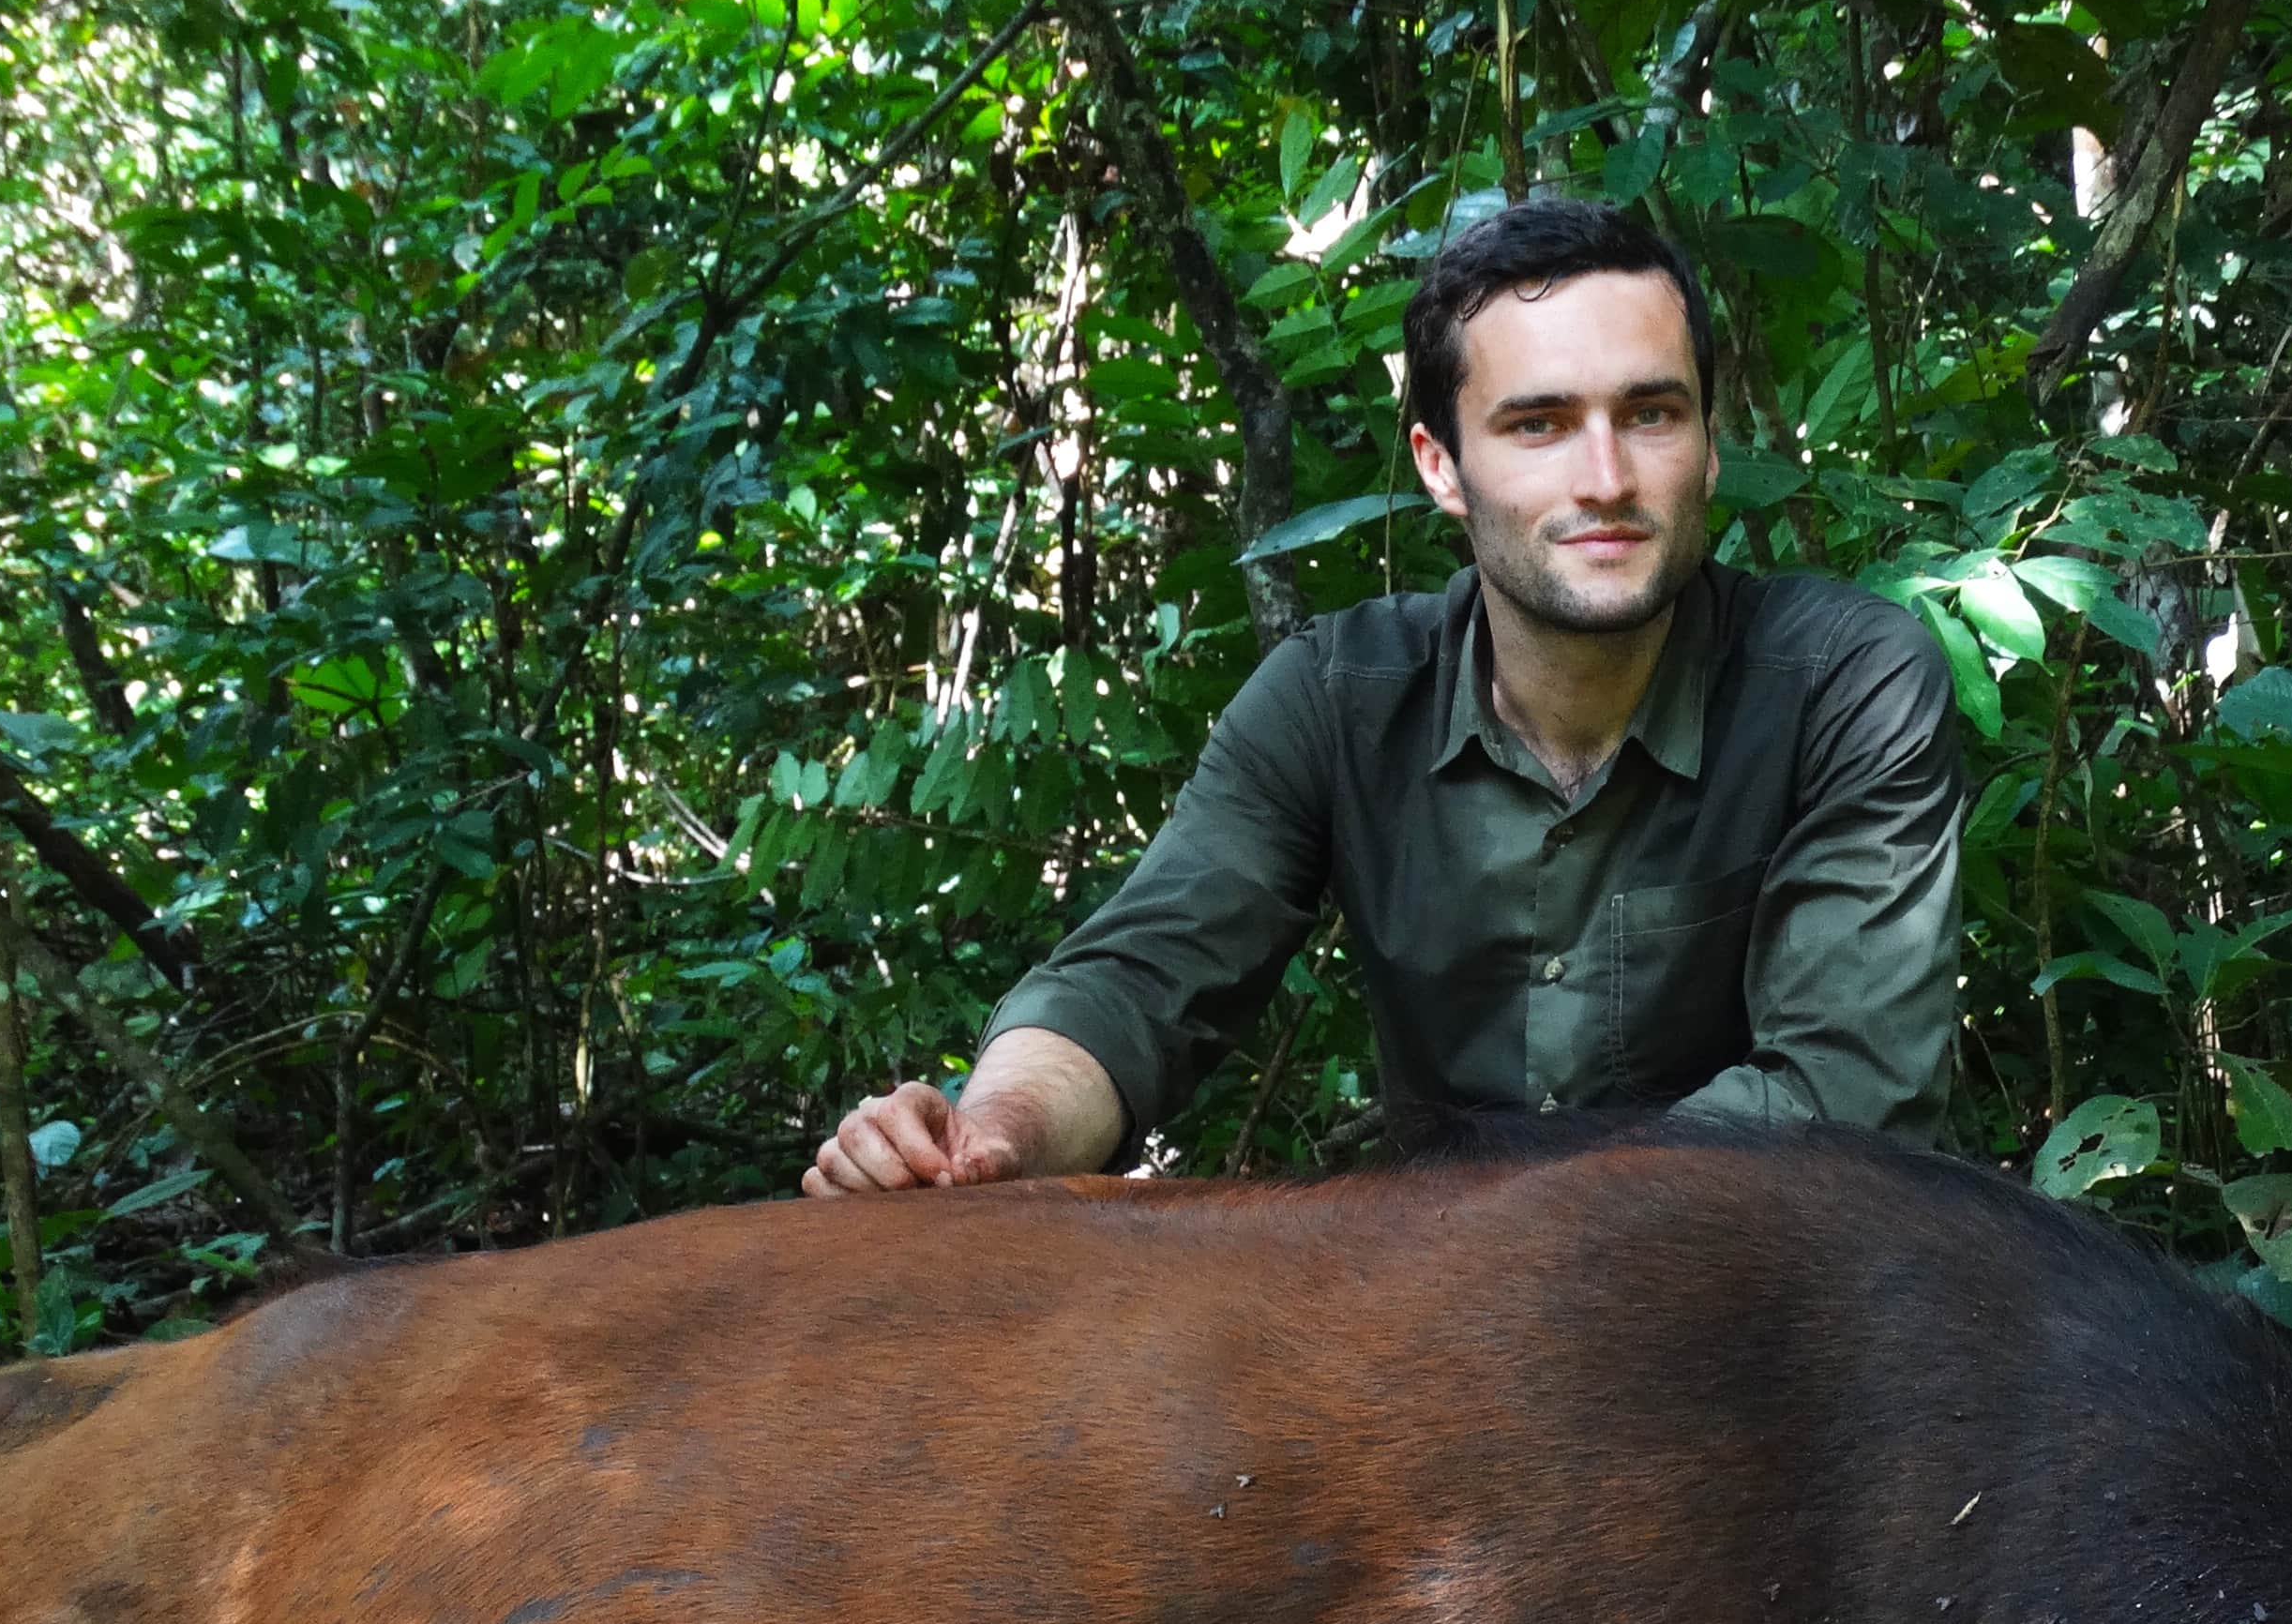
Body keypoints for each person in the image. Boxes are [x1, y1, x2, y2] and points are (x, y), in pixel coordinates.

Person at [803, 195, 1962, 1195]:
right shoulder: (1335, 698)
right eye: (1539, 424)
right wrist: (990, 1135)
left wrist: (1464, 1241)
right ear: (1440, 466)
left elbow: (1842, 1101)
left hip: (1763, 1319)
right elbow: (1137, 981)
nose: (1605, 478)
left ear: (1710, 444)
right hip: (1440, 1328)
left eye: (1651, 414)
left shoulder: (1844, 684)